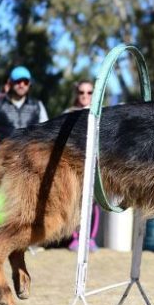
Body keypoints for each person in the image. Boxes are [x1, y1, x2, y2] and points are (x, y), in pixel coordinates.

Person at [64, 80, 100, 252]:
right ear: (77, 94)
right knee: (74, 201)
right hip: (72, 162)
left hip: (95, 163)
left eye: (89, 92)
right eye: (82, 92)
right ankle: (75, 238)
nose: (85, 96)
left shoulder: (102, 114)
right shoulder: (68, 114)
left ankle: (90, 239)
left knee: (92, 203)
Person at [0, 66, 48, 151]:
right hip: (2, 158)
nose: (22, 85)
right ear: (11, 82)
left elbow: (45, 133)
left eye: (26, 82)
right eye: (18, 81)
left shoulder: (38, 105)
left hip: (30, 158)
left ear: (29, 84)